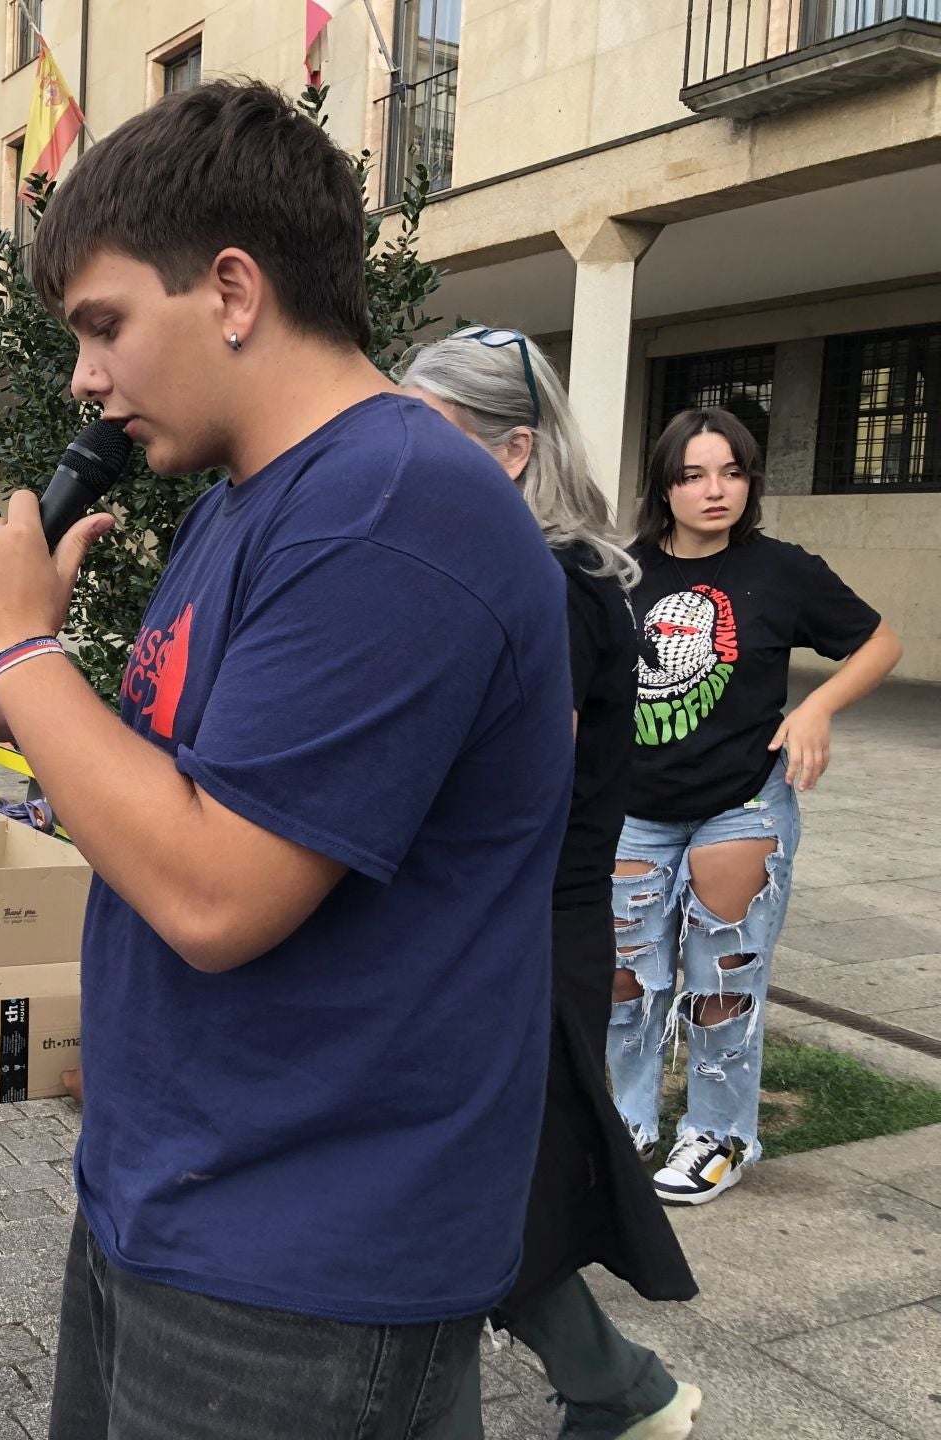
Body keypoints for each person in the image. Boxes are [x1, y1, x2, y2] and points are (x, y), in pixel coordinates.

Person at [0, 79, 570, 1438]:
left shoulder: (390, 513)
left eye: (103, 325)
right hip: (183, 1198)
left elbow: (215, 893)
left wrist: (26, 653)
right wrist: (21, 707)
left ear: (232, 289)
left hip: (305, 1259)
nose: (85, 377)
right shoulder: (249, 503)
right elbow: (183, 792)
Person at [400, 332, 702, 1438]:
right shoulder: (540, 568)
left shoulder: (547, 582)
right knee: (486, 1198)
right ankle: (626, 1390)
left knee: (465, 1207)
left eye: (423, 437)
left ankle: (623, 1392)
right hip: (519, 923)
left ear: (514, 450)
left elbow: (509, 779)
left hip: (522, 928)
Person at [611, 408, 902, 1205]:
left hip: (741, 803)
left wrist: (815, 708)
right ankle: (622, 1118)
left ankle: (719, 1134)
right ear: (663, 485)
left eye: (733, 472)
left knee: (721, 978)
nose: (716, 490)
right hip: (634, 809)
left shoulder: (783, 570)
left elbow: (879, 642)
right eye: (695, 474)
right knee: (624, 977)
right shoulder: (620, 573)